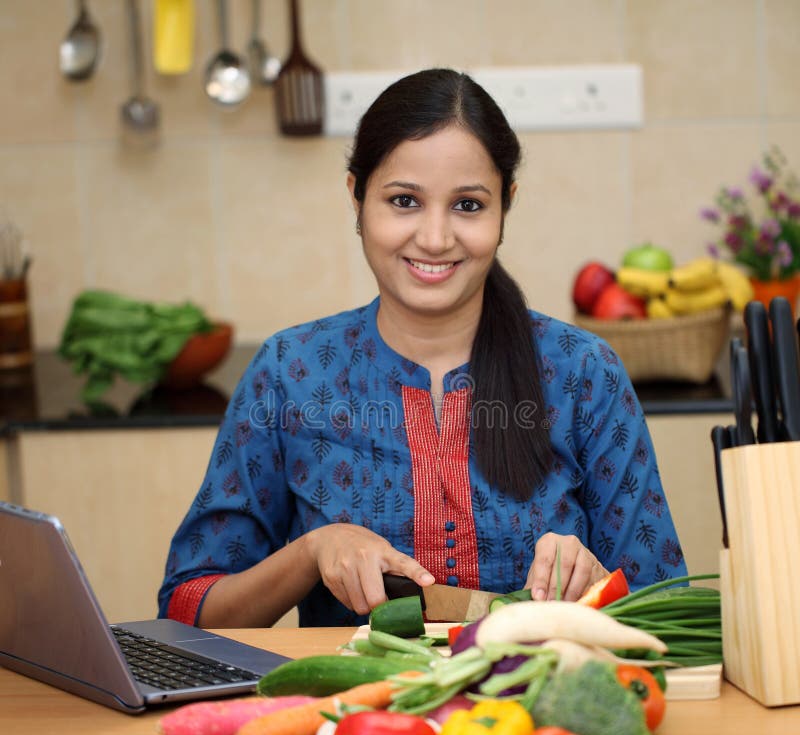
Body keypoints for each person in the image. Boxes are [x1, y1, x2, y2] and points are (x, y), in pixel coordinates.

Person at [158, 68, 686, 628]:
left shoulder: (584, 373)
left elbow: (673, 617)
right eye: (404, 200)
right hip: (353, 717)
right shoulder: (290, 373)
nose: (435, 238)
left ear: (505, 206)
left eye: (468, 205)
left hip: (538, 713)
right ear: (356, 199)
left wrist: (596, 580)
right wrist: (313, 552)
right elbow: (189, 611)